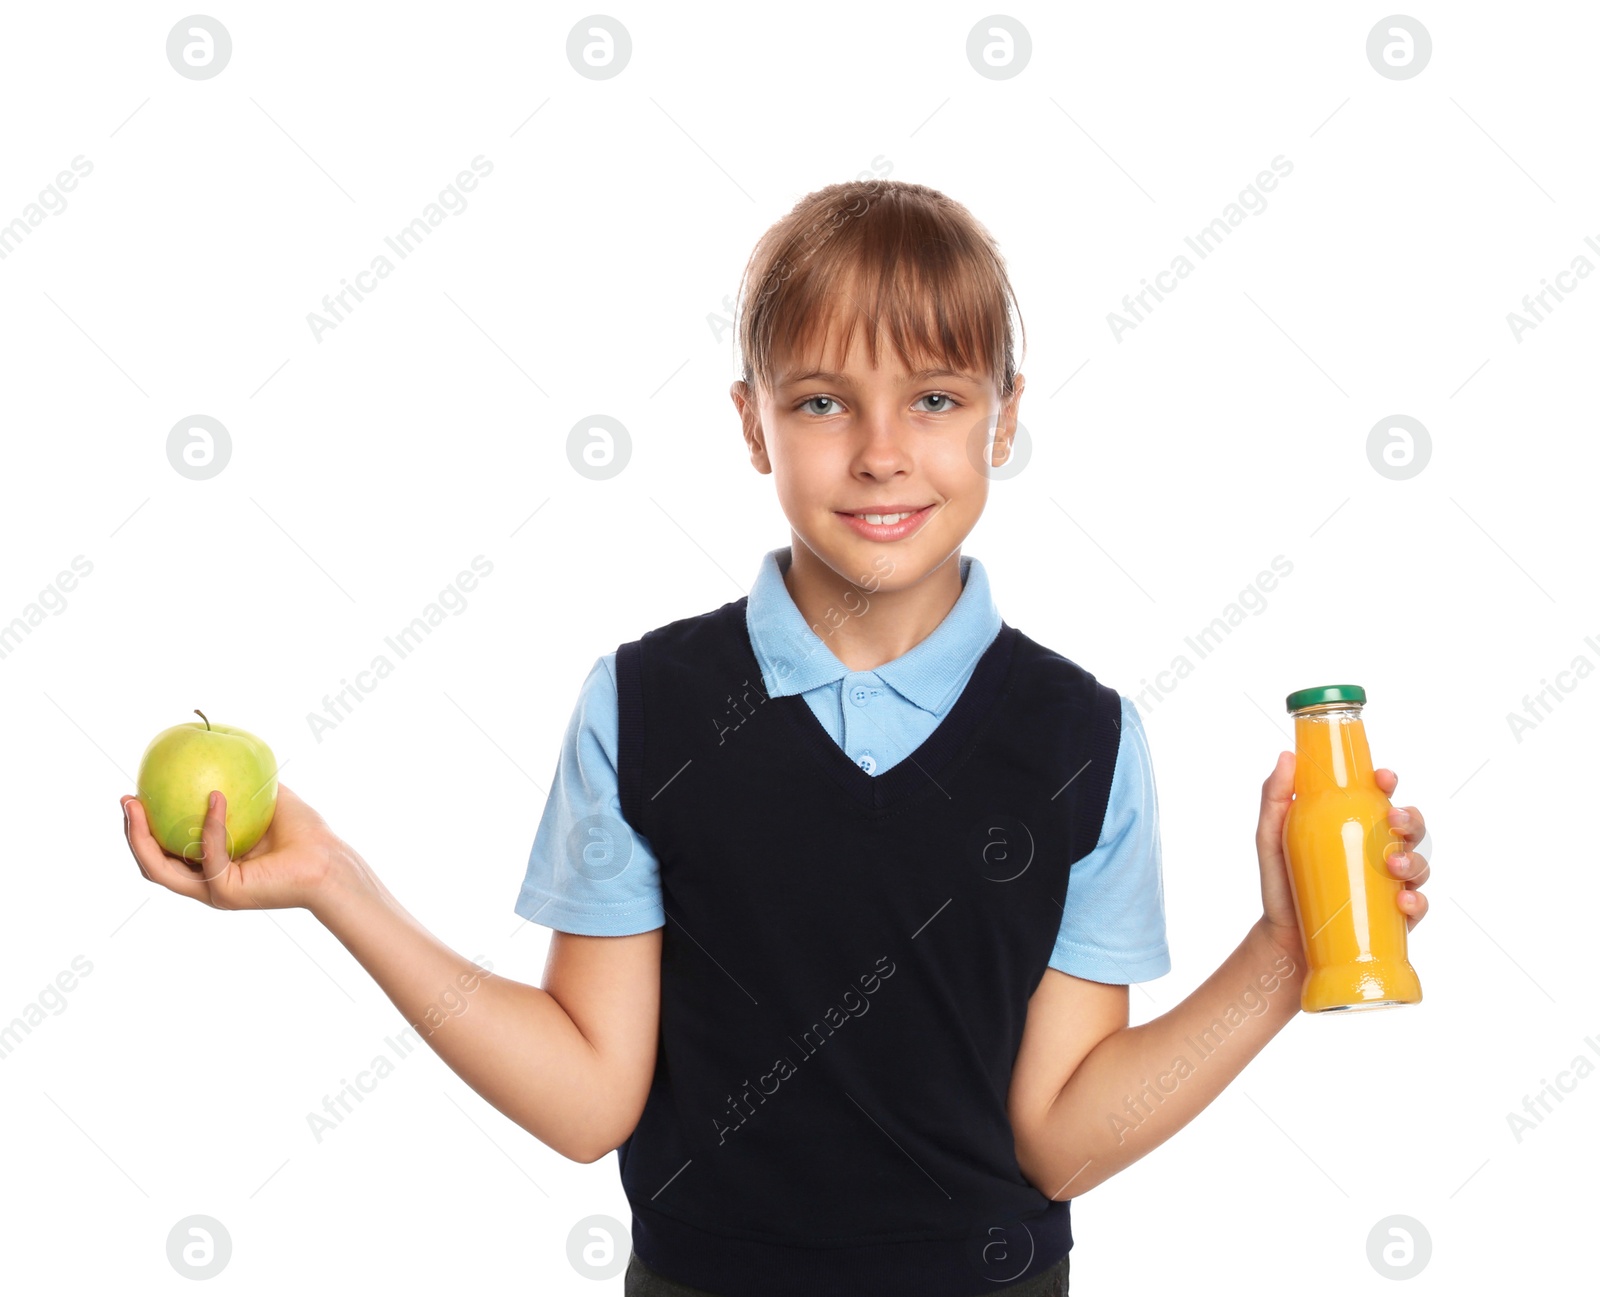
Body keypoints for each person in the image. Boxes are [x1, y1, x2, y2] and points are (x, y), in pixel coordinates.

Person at [121, 179, 1433, 1297]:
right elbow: (588, 1100)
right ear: (750, 420)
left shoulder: (1081, 738)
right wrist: (340, 886)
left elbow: (1059, 1138)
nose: (879, 453)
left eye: (932, 398)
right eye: (820, 402)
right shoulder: (643, 707)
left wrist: (1283, 955)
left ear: (1004, 417)